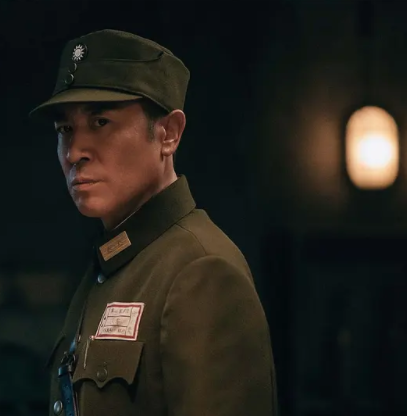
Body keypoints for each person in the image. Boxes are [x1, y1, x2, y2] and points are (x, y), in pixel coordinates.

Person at [29, 29, 278, 416]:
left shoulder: (200, 270)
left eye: (100, 122)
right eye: (65, 130)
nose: (75, 152)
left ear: (168, 134)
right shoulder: (114, 266)